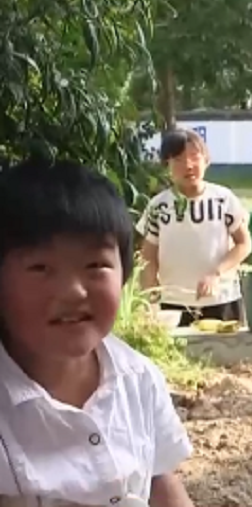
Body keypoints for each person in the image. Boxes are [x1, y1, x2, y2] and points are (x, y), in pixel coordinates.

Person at [0, 158, 194, 506]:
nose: (73, 291)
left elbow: (160, 479)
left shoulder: (139, 379)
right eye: (41, 267)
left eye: (96, 266)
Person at [138, 129, 252, 327]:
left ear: (206, 161)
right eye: (179, 160)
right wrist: (151, 297)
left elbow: (244, 244)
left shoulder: (224, 199)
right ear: (167, 165)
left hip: (221, 299)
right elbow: (148, 256)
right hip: (174, 304)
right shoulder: (159, 206)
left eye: (194, 157)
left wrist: (216, 274)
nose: (188, 166)